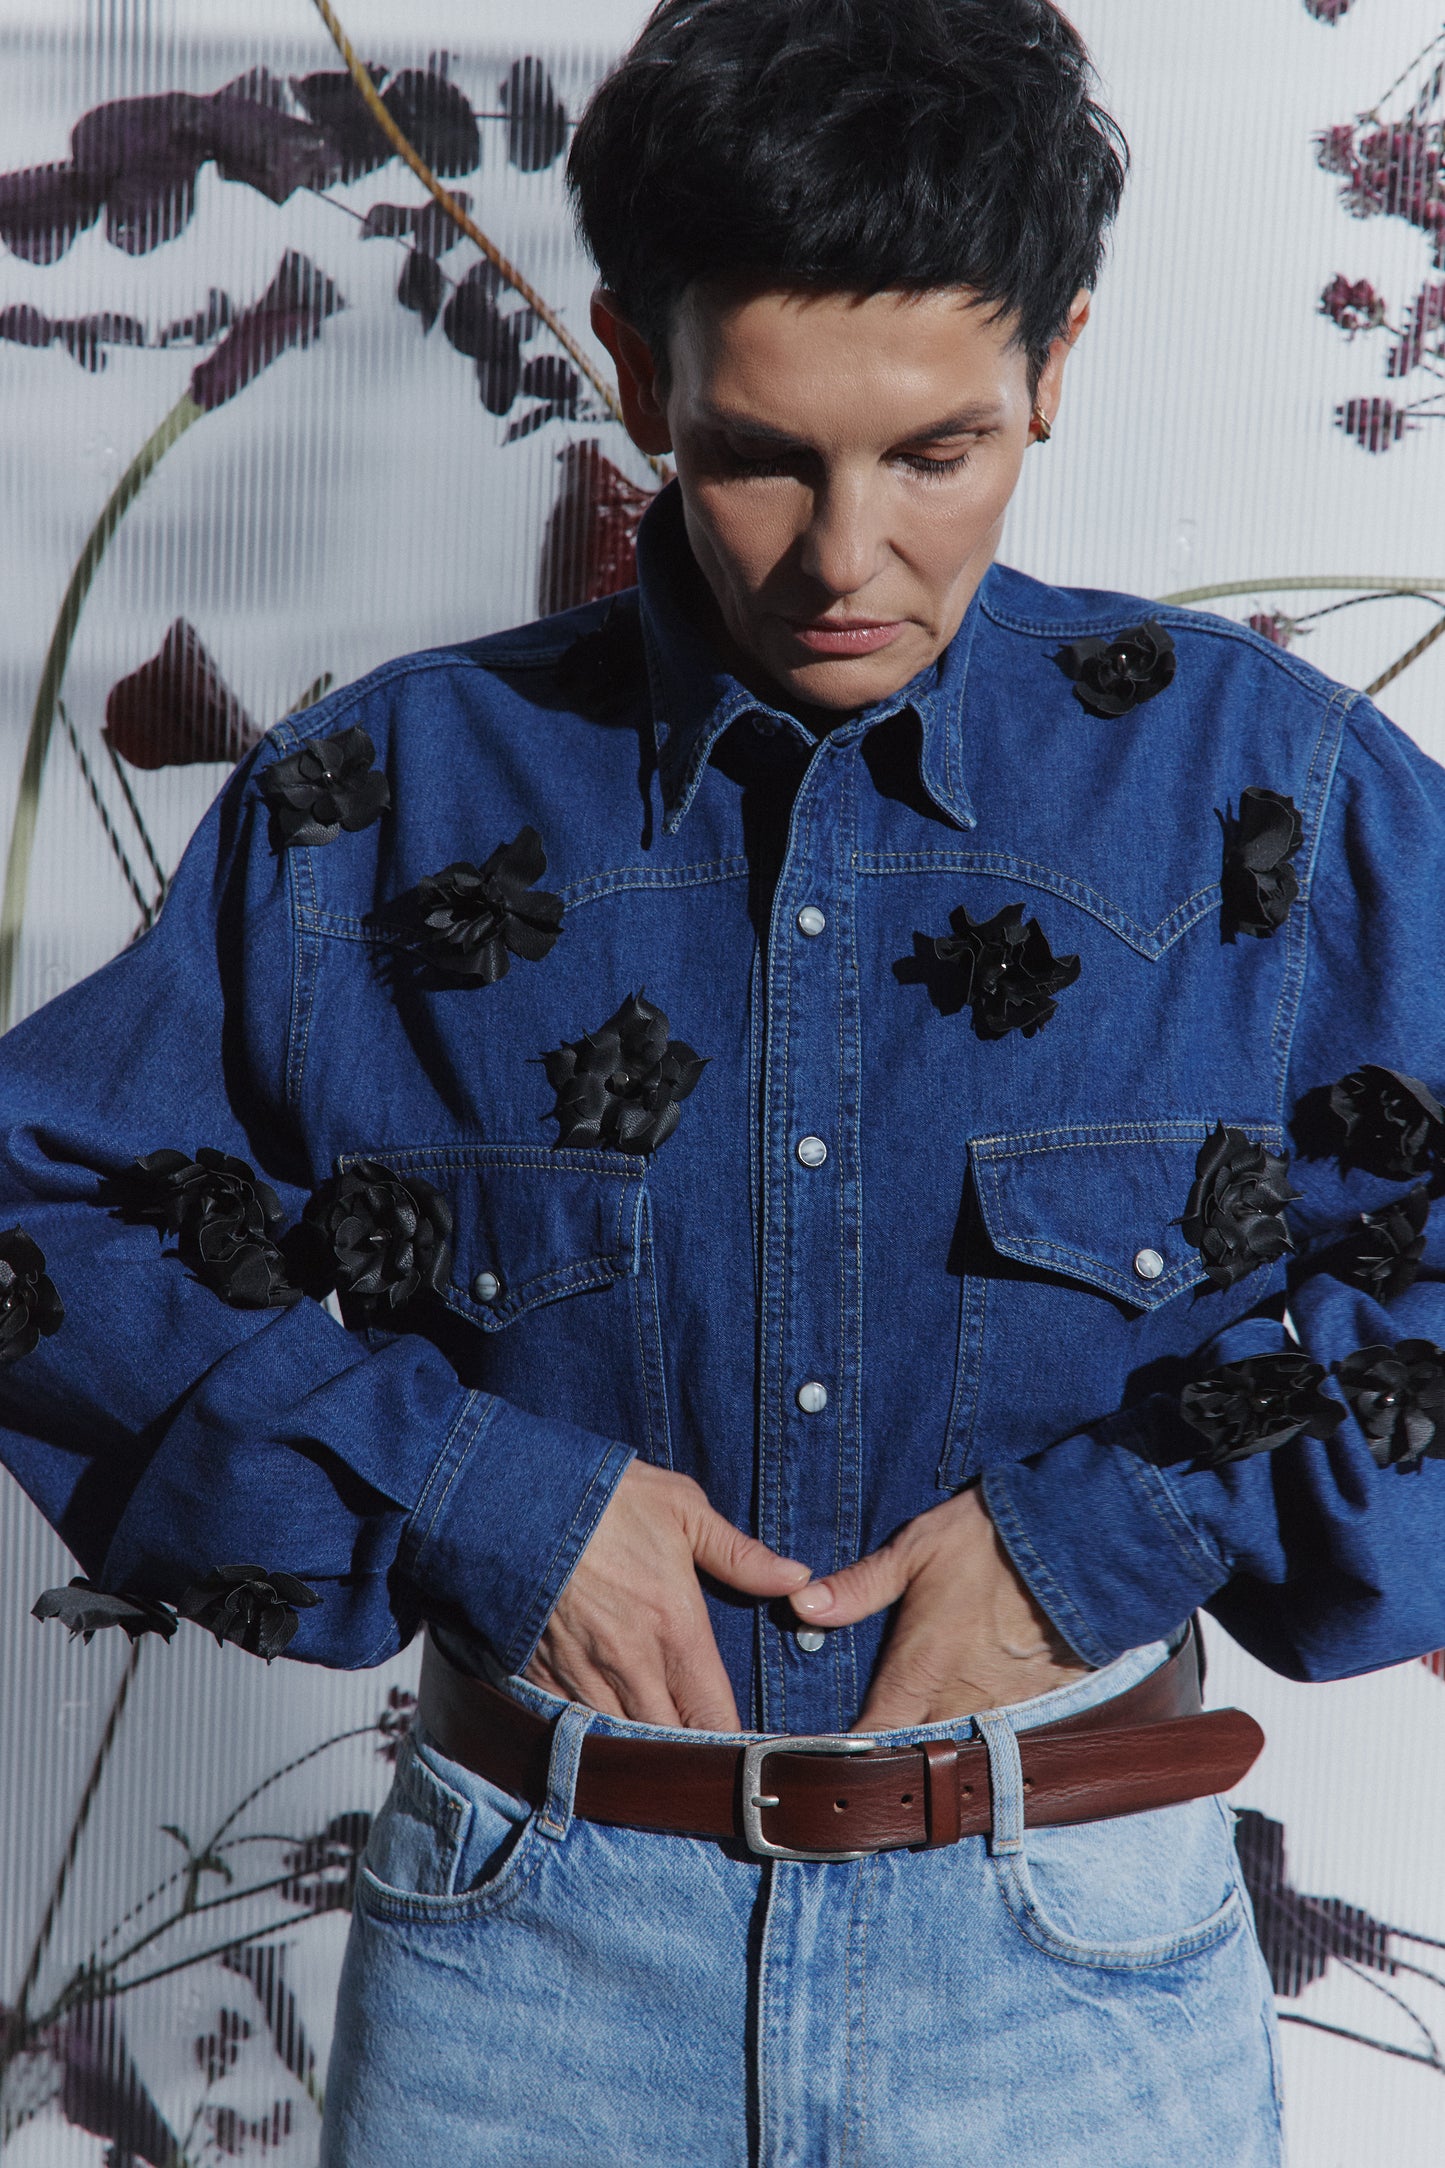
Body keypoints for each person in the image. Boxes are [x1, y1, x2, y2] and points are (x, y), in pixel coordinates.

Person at [4, 0, 1445, 2157]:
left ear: (1055, 363)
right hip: (530, 1975)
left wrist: (1122, 1526)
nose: (844, 554)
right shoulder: (380, 805)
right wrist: (484, 1496)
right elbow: (45, 1213)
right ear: (642, 372)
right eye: (767, 452)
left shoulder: (1273, 799)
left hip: (1072, 1983)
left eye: (936, 450)